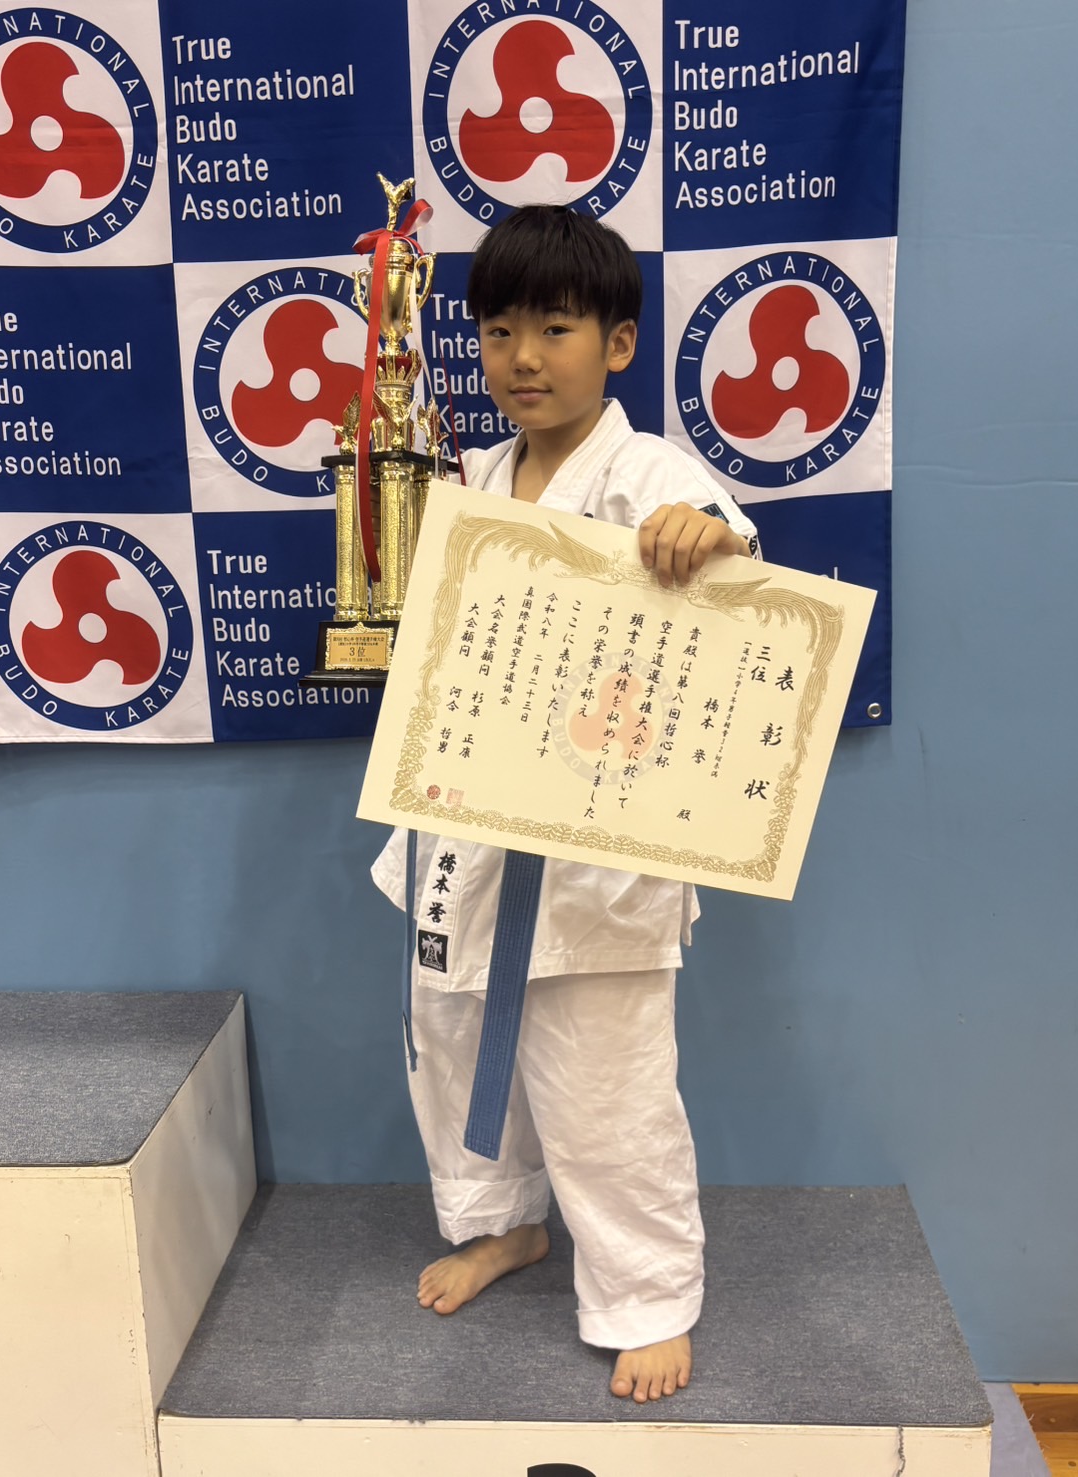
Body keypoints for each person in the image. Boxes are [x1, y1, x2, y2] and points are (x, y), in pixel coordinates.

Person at [371, 205, 758, 1404]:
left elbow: (736, 561)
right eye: (497, 332)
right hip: (471, 825)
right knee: (451, 1044)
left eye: (553, 327)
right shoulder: (475, 477)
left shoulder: (651, 477)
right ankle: (504, 1222)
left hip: (598, 849)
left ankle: (648, 1292)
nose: (522, 358)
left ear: (618, 344)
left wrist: (705, 534)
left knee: (604, 1082)